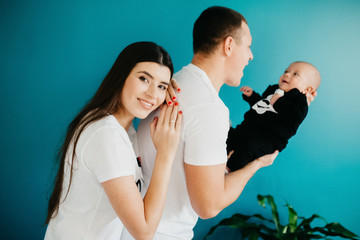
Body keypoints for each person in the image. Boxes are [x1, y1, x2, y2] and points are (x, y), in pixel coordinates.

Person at [129, 6, 317, 240]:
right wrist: (256, 164)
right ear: (229, 46)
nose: (251, 56)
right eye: (248, 46)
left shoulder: (168, 85)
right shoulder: (208, 109)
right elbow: (209, 206)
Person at [44, 41, 183, 240]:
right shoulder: (106, 134)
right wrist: (165, 155)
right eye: (144, 79)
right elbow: (144, 232)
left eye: (162, 86)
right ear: (122, 76)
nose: (153, 94)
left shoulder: (122, 131)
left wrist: (165, 94)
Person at [227, 61, 321, 171]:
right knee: (229, 136)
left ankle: (229, 169)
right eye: (286, 71)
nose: (287, 74)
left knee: (248, 149)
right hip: (247, 128)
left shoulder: (299, 102)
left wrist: (278, 101)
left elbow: (294, 117)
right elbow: (262, 105)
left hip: (266, 139)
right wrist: (252, 96)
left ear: (307, 89)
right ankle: (218, 157)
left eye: (295, 74)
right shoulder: (274, 89)